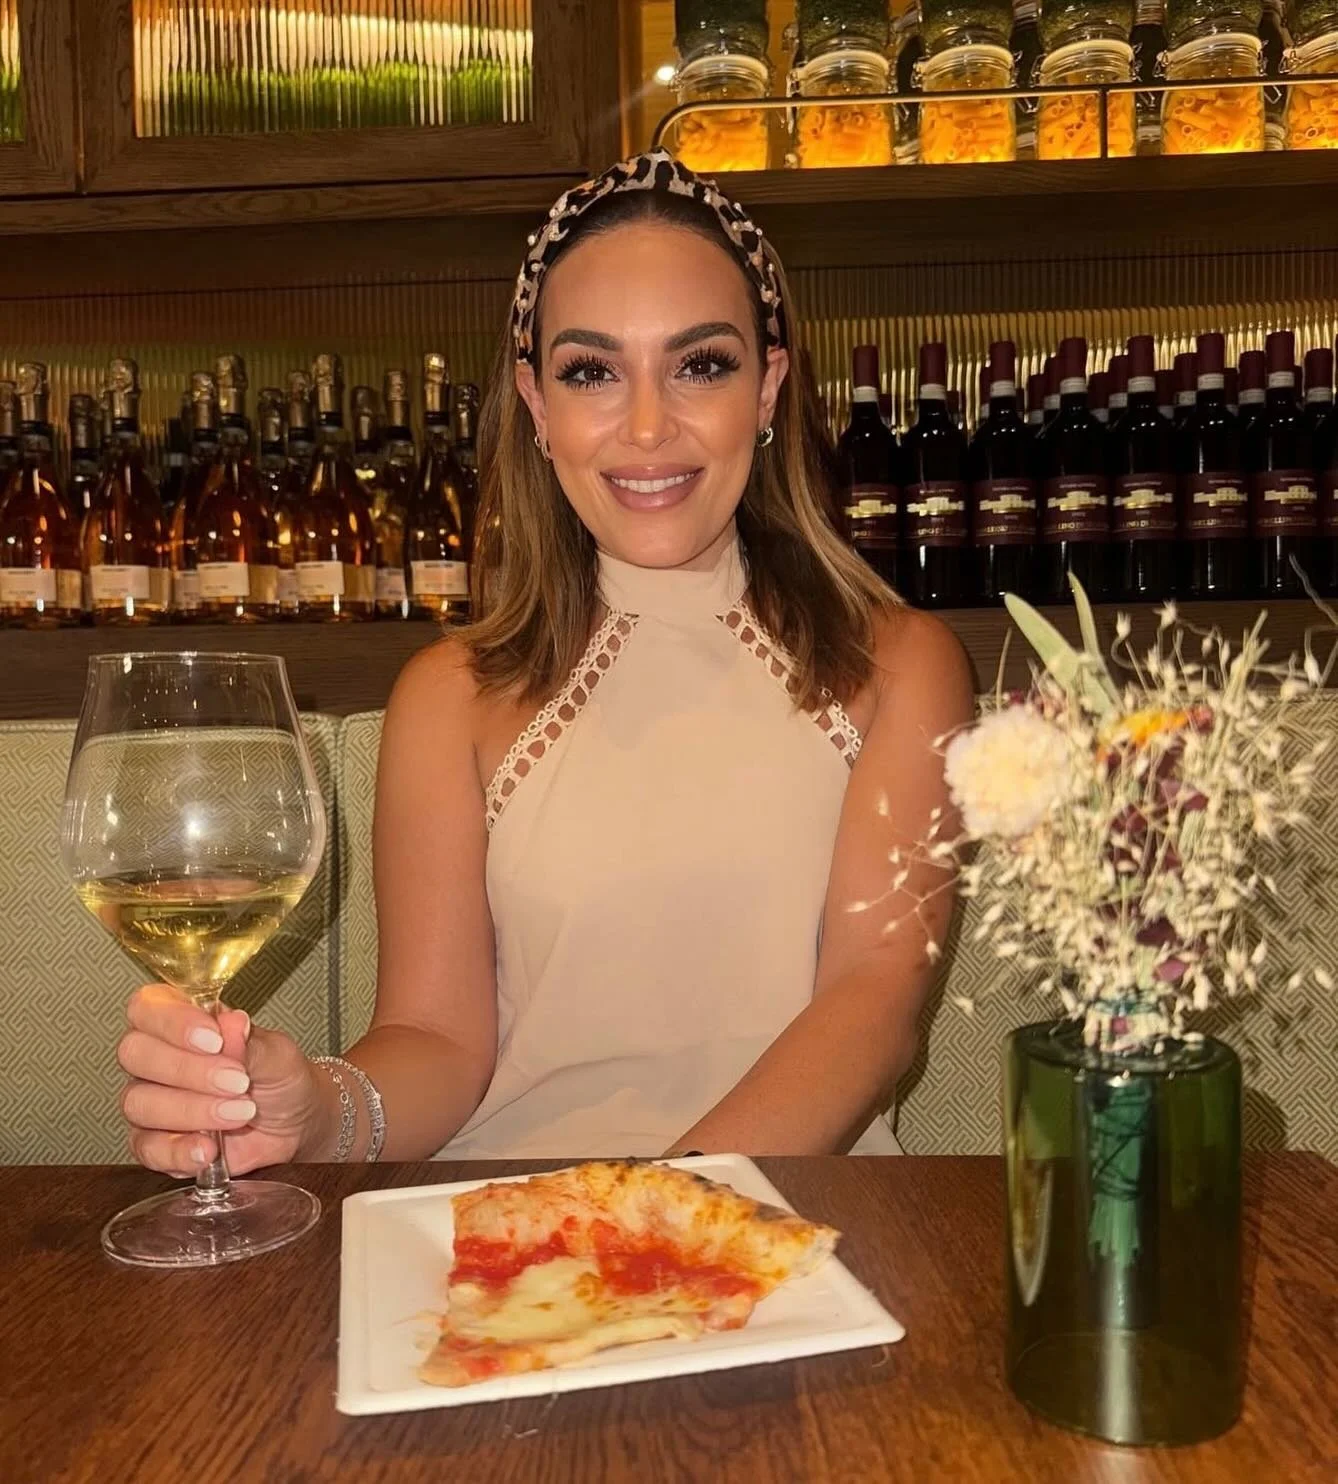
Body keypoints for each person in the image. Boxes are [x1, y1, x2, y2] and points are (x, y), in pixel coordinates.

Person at [115, 151, 973, 1172]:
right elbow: (435, 1041)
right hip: (511, 1229)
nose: (647, 426)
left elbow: (873, 1004)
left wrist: (655, 1221)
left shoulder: (904, 666)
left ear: (768, 388)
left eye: (701, 364)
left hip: (793, 1229)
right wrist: (313, 1112)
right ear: (535, 403)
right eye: (591, 372)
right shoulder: (446, 695)